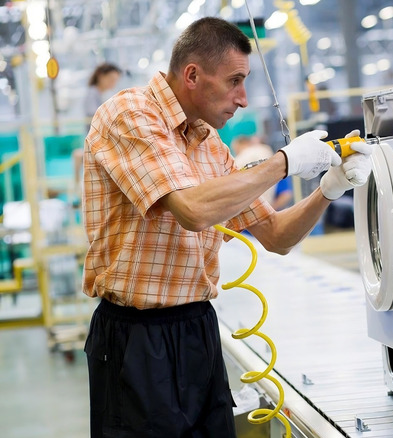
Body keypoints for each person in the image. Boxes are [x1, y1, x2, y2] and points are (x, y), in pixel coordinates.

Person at [81, 17, 372, 437]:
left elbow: (276, 236)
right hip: (135, 341)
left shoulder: (209, 144)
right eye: (235, 80)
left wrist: (330, 188)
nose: (242, 97)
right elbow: (192, 210)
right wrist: (284, 163)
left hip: (197, 330)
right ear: (193, 75)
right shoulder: (130, 115)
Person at [74, 63, 121, 191]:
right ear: (101, 76)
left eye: (115, 80)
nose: (113, 83)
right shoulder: (92, 94)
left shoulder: (97, 94)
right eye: (111, 79)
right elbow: (94, 115)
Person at [231, 135, 294, 210]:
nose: (237, 153)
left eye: (237, 151)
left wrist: (271, 210)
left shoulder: (250, 155)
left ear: (245, 144)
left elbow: (286, 194)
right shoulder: (267, 157)